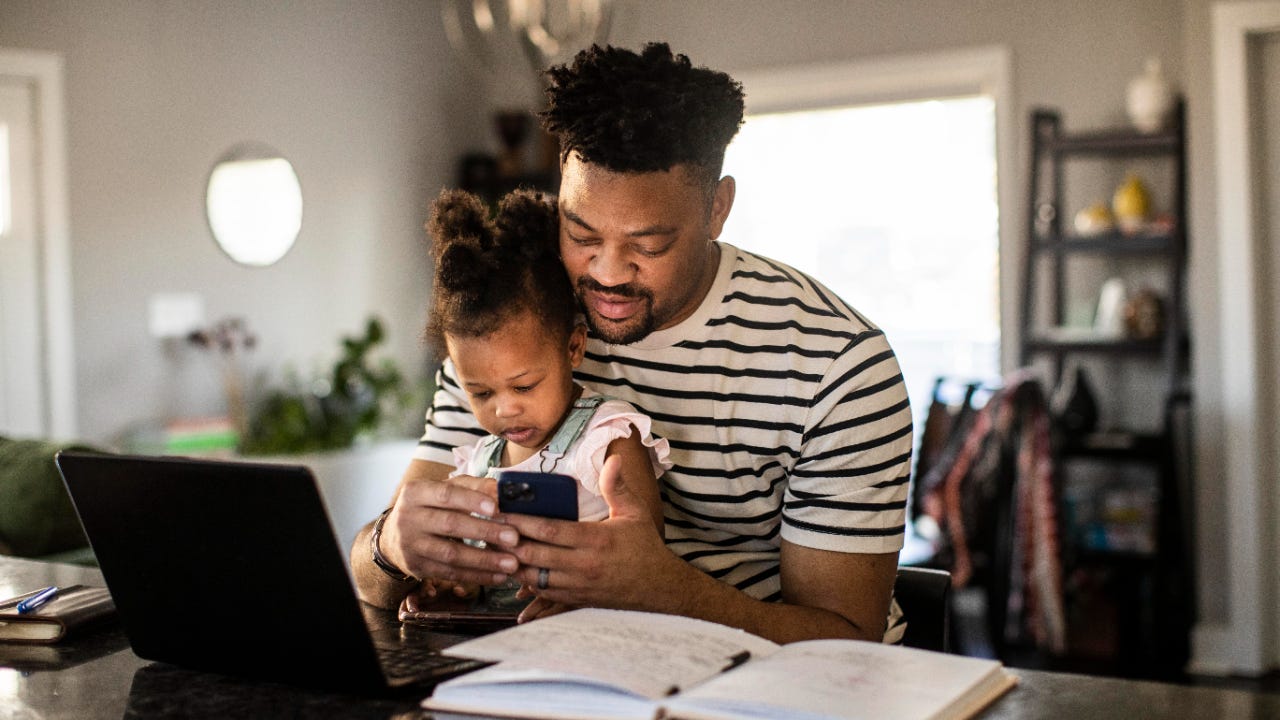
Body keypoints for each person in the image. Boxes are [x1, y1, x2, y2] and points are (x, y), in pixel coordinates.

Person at [353, 42, 914, 644]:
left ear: (717, 208)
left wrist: (661, 591)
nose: (610, 273)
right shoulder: (516, 325)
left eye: (649, 245)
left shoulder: (837, 365)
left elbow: (847, 643)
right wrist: (392, 546)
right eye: (581, 232)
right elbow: (369, 579)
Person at [413, 187, 670, 611]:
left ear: (573, 348)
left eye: (525, 386)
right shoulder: (478, 463)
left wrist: (583, 594)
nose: (504, 409)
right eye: (479, 392)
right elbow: (474, 565)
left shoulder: (606, 439)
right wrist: (450, 583)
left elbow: (645, 561)